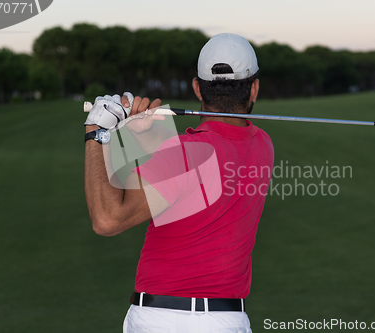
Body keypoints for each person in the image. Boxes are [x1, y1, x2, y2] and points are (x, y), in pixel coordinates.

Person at [84, 33, 274, 333]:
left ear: (198, 88)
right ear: (254, 89)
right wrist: (144, 135)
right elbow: (189, 182)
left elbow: (107, 220)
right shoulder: (264, 146)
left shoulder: (185, 153)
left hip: (162, 321)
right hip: (228, 322)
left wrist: (97, 132)